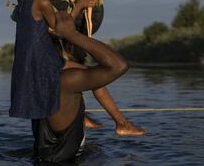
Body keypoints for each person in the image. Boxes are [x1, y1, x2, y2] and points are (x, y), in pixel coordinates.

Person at [9, 0, 144, 135]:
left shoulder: (25, 0)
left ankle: (111, 122)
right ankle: (120, 124)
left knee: (87, 75)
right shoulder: (43, 3)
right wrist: (79, 5)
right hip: (43, 63)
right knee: (93, 76)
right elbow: (62, 31)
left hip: (32, 62)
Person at [32, 11, 131, 162]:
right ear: (70, 47)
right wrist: (73, 35)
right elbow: (119, 65)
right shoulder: (66, 81)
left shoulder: (39, 78)